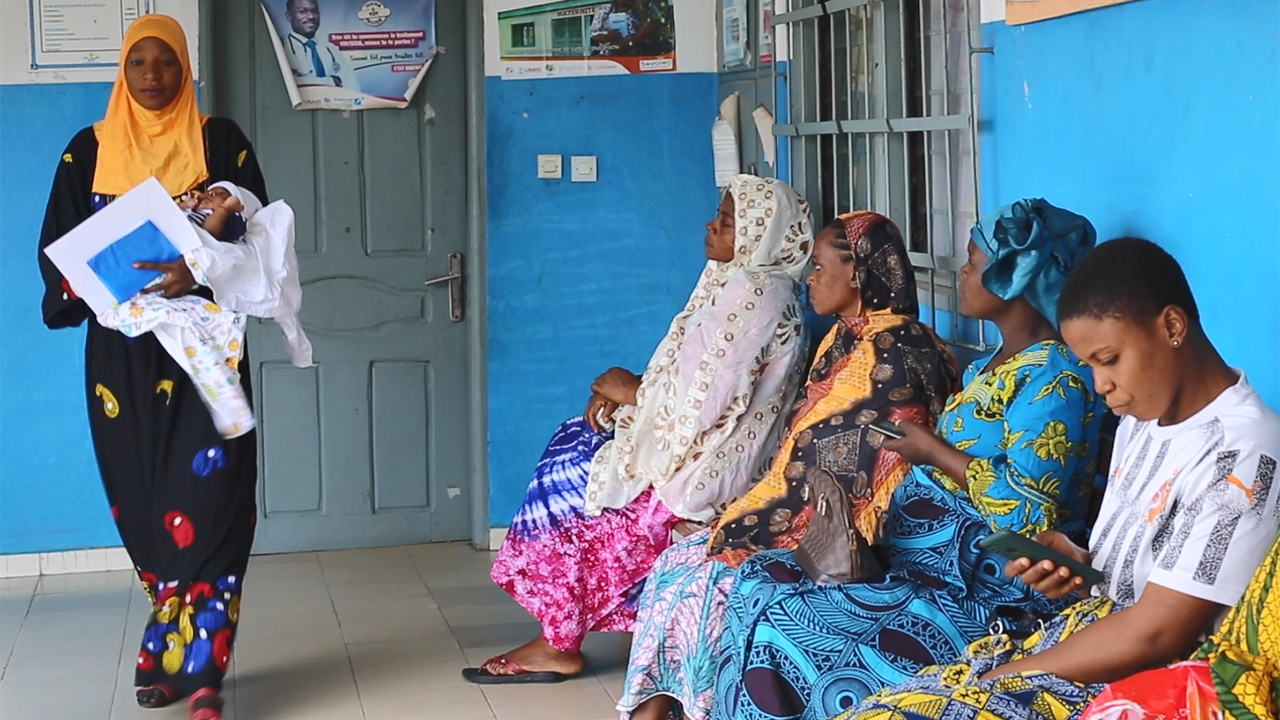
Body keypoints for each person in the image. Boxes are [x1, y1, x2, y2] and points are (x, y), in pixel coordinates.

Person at [621, 199, 1105, 720]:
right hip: (918, 558)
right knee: (758, 582)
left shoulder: (1055, 380)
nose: (962, 272)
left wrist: (931, 451)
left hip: (981, 585)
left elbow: (1029, 516)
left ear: (1016, 279)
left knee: (785, 626)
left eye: (973, 262)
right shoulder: (992, 365)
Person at [834, 238, 1280, 720]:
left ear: (1172, 326)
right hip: (1085, 634)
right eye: (1089, 364)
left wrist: (992, 682)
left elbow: (1158, 633)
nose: (1099, 383)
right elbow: (1134, 578)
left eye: (1108, 360)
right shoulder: (1143, 417)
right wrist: (1078, 565)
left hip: (1150, 685)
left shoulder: (1244, 455)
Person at [461, 175, 815, 684]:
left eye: (730, 221)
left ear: (763, 233)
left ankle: (559, 641)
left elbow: (702, 407)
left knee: (574, 486)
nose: (711, 225)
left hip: (705, 470)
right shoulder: (741, 281)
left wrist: (630, 391)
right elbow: (699, 379)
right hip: (699, 449)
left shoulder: (754, 294)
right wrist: (628, 394)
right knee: (574, 440)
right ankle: (568, 629)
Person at [36, 15, 266, 720]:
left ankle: (204, 674)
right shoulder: (88, 152)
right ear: (122, 72)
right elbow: (57, 259)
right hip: (122, 361)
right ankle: (166, 658)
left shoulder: (221, 142)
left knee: (214, 501)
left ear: (185, 67)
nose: (153, 76)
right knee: (142, 506)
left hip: (207, 352)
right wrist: (103, 283)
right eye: (139, 63)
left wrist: (195, 272)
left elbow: (263, 248)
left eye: (166, 61)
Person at [281, 0, 361, 92]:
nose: (311, 16)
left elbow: (352, 84)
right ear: (289, 16)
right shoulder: (281, 49)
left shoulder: (330, 48)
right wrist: (333, 81)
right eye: (303, 11)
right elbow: (288, 84)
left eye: (314, 11)